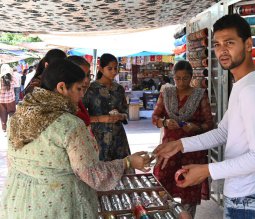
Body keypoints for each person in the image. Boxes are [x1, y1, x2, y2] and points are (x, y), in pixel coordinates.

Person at [154, 14, 255, 219]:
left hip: (251, 198)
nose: (222, 50)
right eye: (217, 44)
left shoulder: (252, 91)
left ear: (248, 44)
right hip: (245, 194)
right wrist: (180, 144)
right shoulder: (242, 85)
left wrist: (207, 170)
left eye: (229, 43)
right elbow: (223, 132)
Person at [0, 59, 152, 218]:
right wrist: (127, 162)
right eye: (79, 89)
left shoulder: (18, 116)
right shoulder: (70, 125)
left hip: (18, 201)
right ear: (61, 87)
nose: (81, 95)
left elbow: (12, 162)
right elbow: (93, 175)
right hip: (57, 205)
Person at [152, 60, 214, 217]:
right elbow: (155, 118)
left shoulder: (200, 96)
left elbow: (209, 124)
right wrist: (165, 122)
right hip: (169, 150)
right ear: (173, 78)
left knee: (189, 190)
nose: (181, 82)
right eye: (177, 78)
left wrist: (195, 127)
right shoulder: (166, 93)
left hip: (192, 151)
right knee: (162, 186)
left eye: (185, 78)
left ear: (191, 77)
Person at [83, 53, 130, 161]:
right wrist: (101, 119)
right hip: (98, 137)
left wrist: (120, 116)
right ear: (101, 69)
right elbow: (82, 115)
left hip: (118, 137)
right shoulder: (91, 89)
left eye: (115, 68)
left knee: (122, 170)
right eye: (110, 68)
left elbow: (125, 112)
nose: (114, 71)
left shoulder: (119, 89)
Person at [67, 55, 92, 127]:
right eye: (81, 75)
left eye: (88, 75)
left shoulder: (77, 103)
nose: (87, 80)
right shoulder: (62, 109)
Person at [0, 64, 16, 134]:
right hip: (11, 100)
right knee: (12, 113)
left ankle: (4, 129)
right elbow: (17, 84)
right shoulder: (12, 78)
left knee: (3, 114)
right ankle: (12, 128)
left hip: (1, 101)